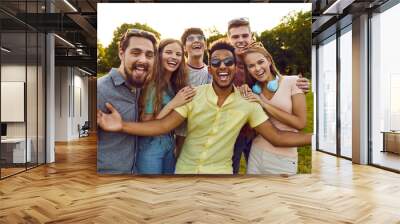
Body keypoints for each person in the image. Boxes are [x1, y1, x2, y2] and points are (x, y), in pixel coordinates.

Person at [97, 40, 311, 174]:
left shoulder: (248, 101)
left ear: (235, 67)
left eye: (228, 62)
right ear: (210, 69)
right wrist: (121, 125)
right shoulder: (194, 95)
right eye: (216, 63)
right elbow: (161, 126)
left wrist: (320, 140)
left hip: (219, 174)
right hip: (185, 171)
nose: (223, 67)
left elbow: (277, 137)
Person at [227, 17, 310, 174]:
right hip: (236, 134)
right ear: (229, 39)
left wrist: (299, 86)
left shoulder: (259, 62)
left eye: (245, 35)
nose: (241, 40)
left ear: (252, 36)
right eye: (235, 37)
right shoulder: (226, 64)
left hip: (258, 133)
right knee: (232, 174)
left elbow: (275, 78)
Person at [97, 28, 157, 174]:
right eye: (136, 53)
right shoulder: (99, 91)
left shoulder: (142, 88)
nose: (143, 59)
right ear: (121, 53)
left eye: (149, 55)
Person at [240, 42, 306, 174]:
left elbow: (300, 123)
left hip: (284, 158)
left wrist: (264, 104)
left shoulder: (293, 82)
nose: (257, 68)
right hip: (256, 152)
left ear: (269, 60)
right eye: (251, 66)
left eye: (260, 62)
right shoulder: (254, 91)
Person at [137, 39, 195, 174]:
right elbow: (146, 123)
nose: (174, 57)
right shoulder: (152, 84)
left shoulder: (175, 83)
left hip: (169, 143)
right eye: (169, 52)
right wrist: (173, 103)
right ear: (159, 55)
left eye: (178, 54)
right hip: (151, 147)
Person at [174, 28, 212, 157]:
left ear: (205, 45)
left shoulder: (211, 72)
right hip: (182, 133)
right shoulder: (178, 71)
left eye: (200, 38)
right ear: (184, 48)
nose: (196, 40)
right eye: (190, 39)